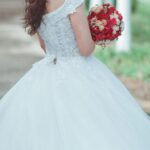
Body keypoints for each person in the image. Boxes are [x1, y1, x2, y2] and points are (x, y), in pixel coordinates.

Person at [0, 0, 150, 150]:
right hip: (79, 69)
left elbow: (44, 46)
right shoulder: (71, 2)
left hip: (49, 67)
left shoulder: (35, 3)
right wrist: (98, 33)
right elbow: (85, 48)